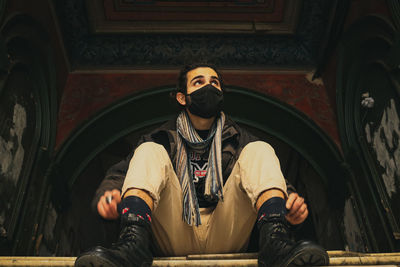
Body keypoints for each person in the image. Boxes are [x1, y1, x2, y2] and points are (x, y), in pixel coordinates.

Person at [75, 64, 329, 267]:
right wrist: (108, 196)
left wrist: (291, 202)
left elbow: (271, 178)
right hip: (175, 230)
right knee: (150, 151)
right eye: (199, 82)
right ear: (182, 98)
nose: (208, 86)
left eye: (214, 82)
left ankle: (276, 243)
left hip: (226, 230)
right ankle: (132, 246)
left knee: (259, 149)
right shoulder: (162, 137)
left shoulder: (240, 138)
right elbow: (120, 175)